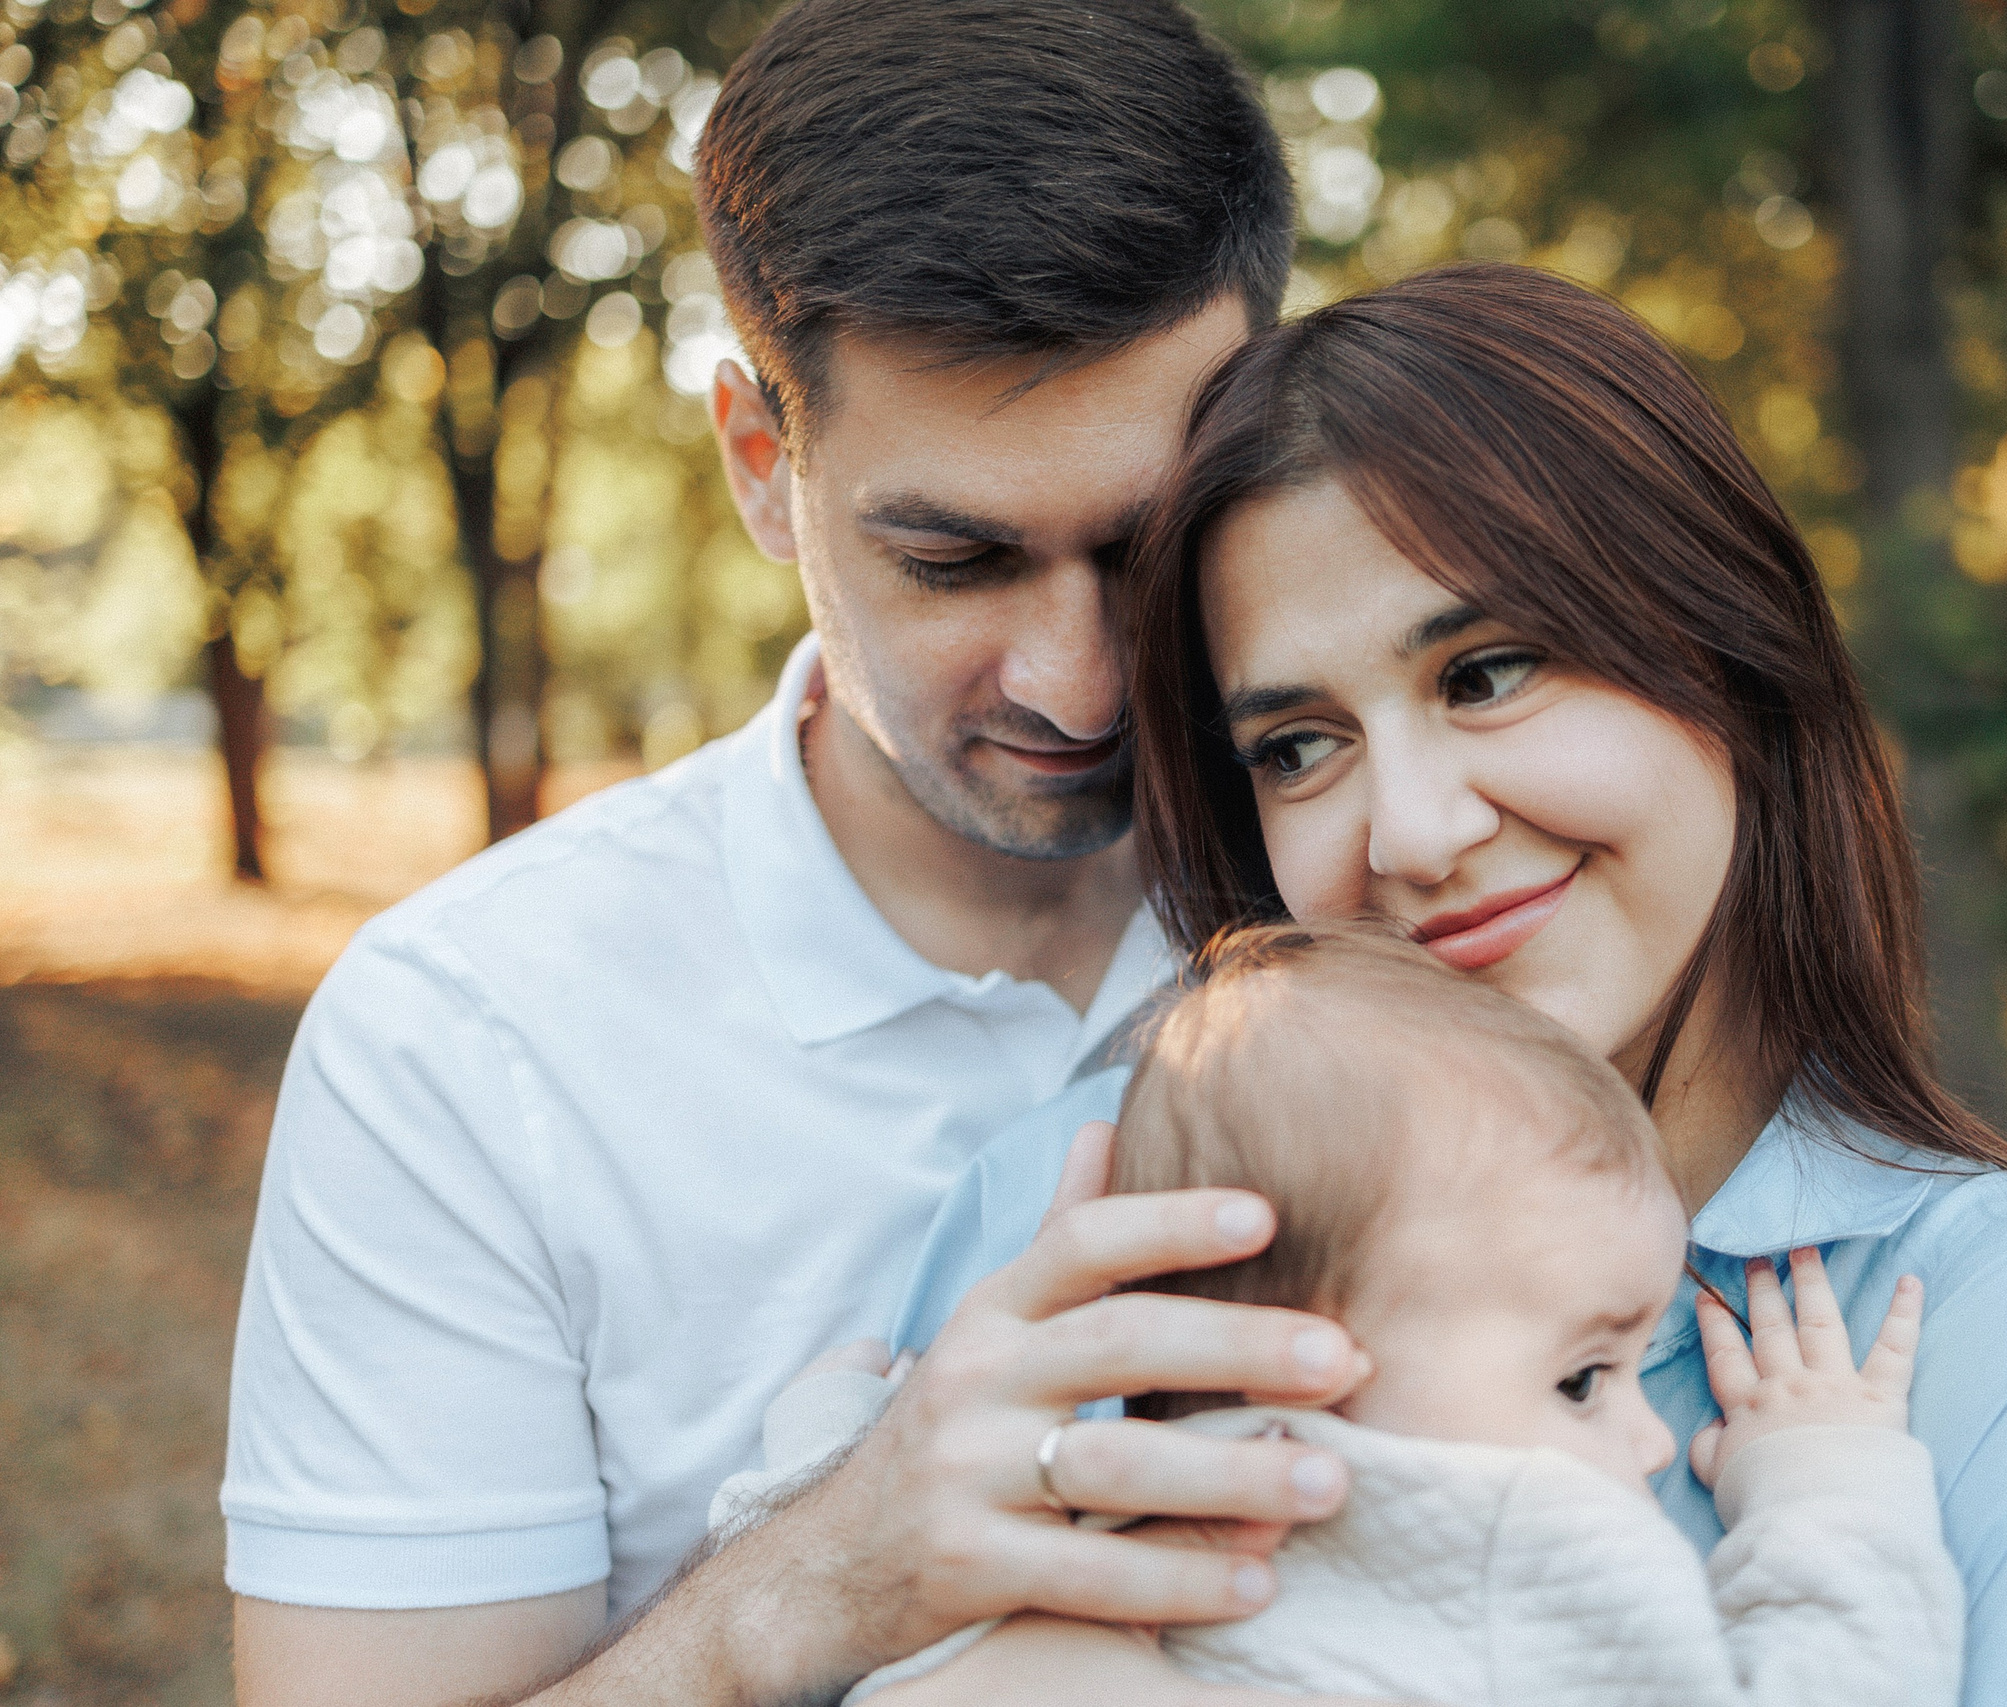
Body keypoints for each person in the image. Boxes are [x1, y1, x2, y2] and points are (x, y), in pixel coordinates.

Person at [848, 264, 2007, 1704]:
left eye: (1490, 670)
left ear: (1733, 656)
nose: (1416, 831)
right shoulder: (1083, 1221)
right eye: (1298, 746)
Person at [221, 5, 1379, 1703]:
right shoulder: (466, 1042)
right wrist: (829, 1575)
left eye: (1145, 547)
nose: (1076, 680)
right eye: (953, 560)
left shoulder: (1393, 884)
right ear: (767, 468)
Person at [722, 921, 1963, 1707]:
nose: (1649, 1441)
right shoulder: (1508, 1549)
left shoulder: (1051, 1531)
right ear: (1290, 1373)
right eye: (1585, 1379)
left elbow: (876, 1599)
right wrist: (1828, 1484)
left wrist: (838, 1436)